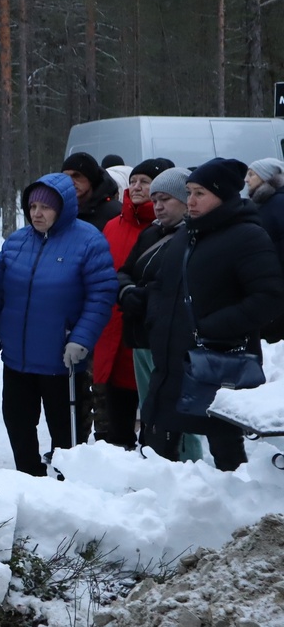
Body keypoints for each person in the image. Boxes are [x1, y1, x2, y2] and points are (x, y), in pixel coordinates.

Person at [140, 158, 284, 471]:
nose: (190, 200)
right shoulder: (184, 236)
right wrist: (153, 318)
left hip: (220, 366)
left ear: (222, 195)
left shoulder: (248, 236)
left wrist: (213, 328)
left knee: (226, 454)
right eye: (189, 192)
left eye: (199, 193)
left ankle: (230, 516)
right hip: (170, 366)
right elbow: (160, 286)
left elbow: (269, 299)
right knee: (155, 458)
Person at [0, 173, 117, 477]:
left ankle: (69, 487)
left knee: (66, 433)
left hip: (62, 360)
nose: (36, 213)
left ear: (63, 208)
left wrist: (81, 338)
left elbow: (102, 295)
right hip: (18, 359)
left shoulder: (88, 241)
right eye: (32, 206)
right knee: (17, 421)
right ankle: (28, 478)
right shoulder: (16, 242)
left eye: (45, 207)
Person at [114, 167, 202, 461]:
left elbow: (181, 284)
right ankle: (155, 459)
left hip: (172, 339)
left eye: (166, 198)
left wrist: (144, 295)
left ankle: (190, 465)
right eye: (156, 199)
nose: (159, 205)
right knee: (149, 405)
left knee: (179, 410)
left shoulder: (193, 237)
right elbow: (125, 271)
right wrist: (127, 291)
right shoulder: (151, 232)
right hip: (141, 333)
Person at [91, 158, 173, 449]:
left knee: (153, 409)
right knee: (115, 410)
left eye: (145, 182)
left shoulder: (166, 227)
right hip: (112, 324)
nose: (136, 187)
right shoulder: (113, 224)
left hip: (148, 328)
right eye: (134, 180)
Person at [244, 158, 284, 342]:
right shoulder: (265, 203)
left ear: (266, 177)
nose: (246, 179)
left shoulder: (277, 204)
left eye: (251, 174)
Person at [62, 152, 121, 233]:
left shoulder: (115, 212)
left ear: (91, 179)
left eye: (77, 176)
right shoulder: (59, 210)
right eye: (65, 177)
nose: (70, 181)